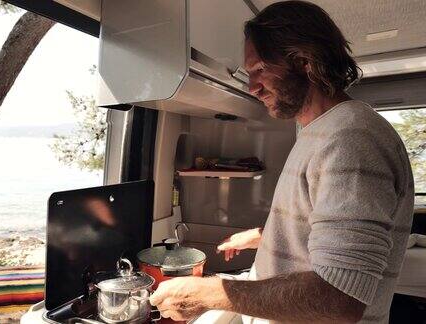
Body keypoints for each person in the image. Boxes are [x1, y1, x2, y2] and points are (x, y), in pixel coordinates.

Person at [149, 1, 414, 323]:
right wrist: (268, 234)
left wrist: (208, 292)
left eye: (260, 70)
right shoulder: (322, 131)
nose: (253, 87)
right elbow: (324, 220)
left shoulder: (351, 138)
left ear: (305, 62)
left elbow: (340, 298)